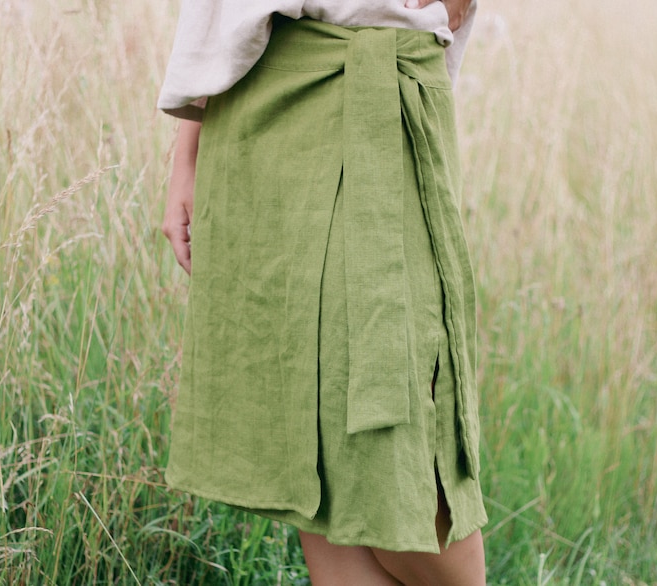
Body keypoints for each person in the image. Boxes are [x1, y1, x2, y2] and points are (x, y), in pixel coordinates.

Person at [160, 1, 487, 584]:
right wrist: (186, 152)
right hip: (267, 104)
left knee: (404, 467)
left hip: (389, 95)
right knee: (314, 436)